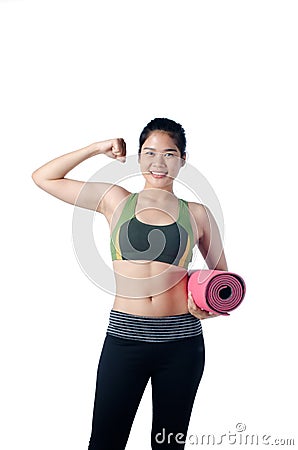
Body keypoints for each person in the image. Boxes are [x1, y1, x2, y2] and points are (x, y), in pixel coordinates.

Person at [32, 118, 228, 449]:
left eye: (169, 154)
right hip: (125, 340)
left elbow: (222, 280)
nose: (158, 162)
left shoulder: (198, 214)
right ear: (138, 157)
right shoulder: (115, 199)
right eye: (149, 153)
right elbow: (44, 177)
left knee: (169, 445)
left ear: (183, 159)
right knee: (105, 442)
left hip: (182, 344)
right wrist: (96, 148)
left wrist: (210, 308)